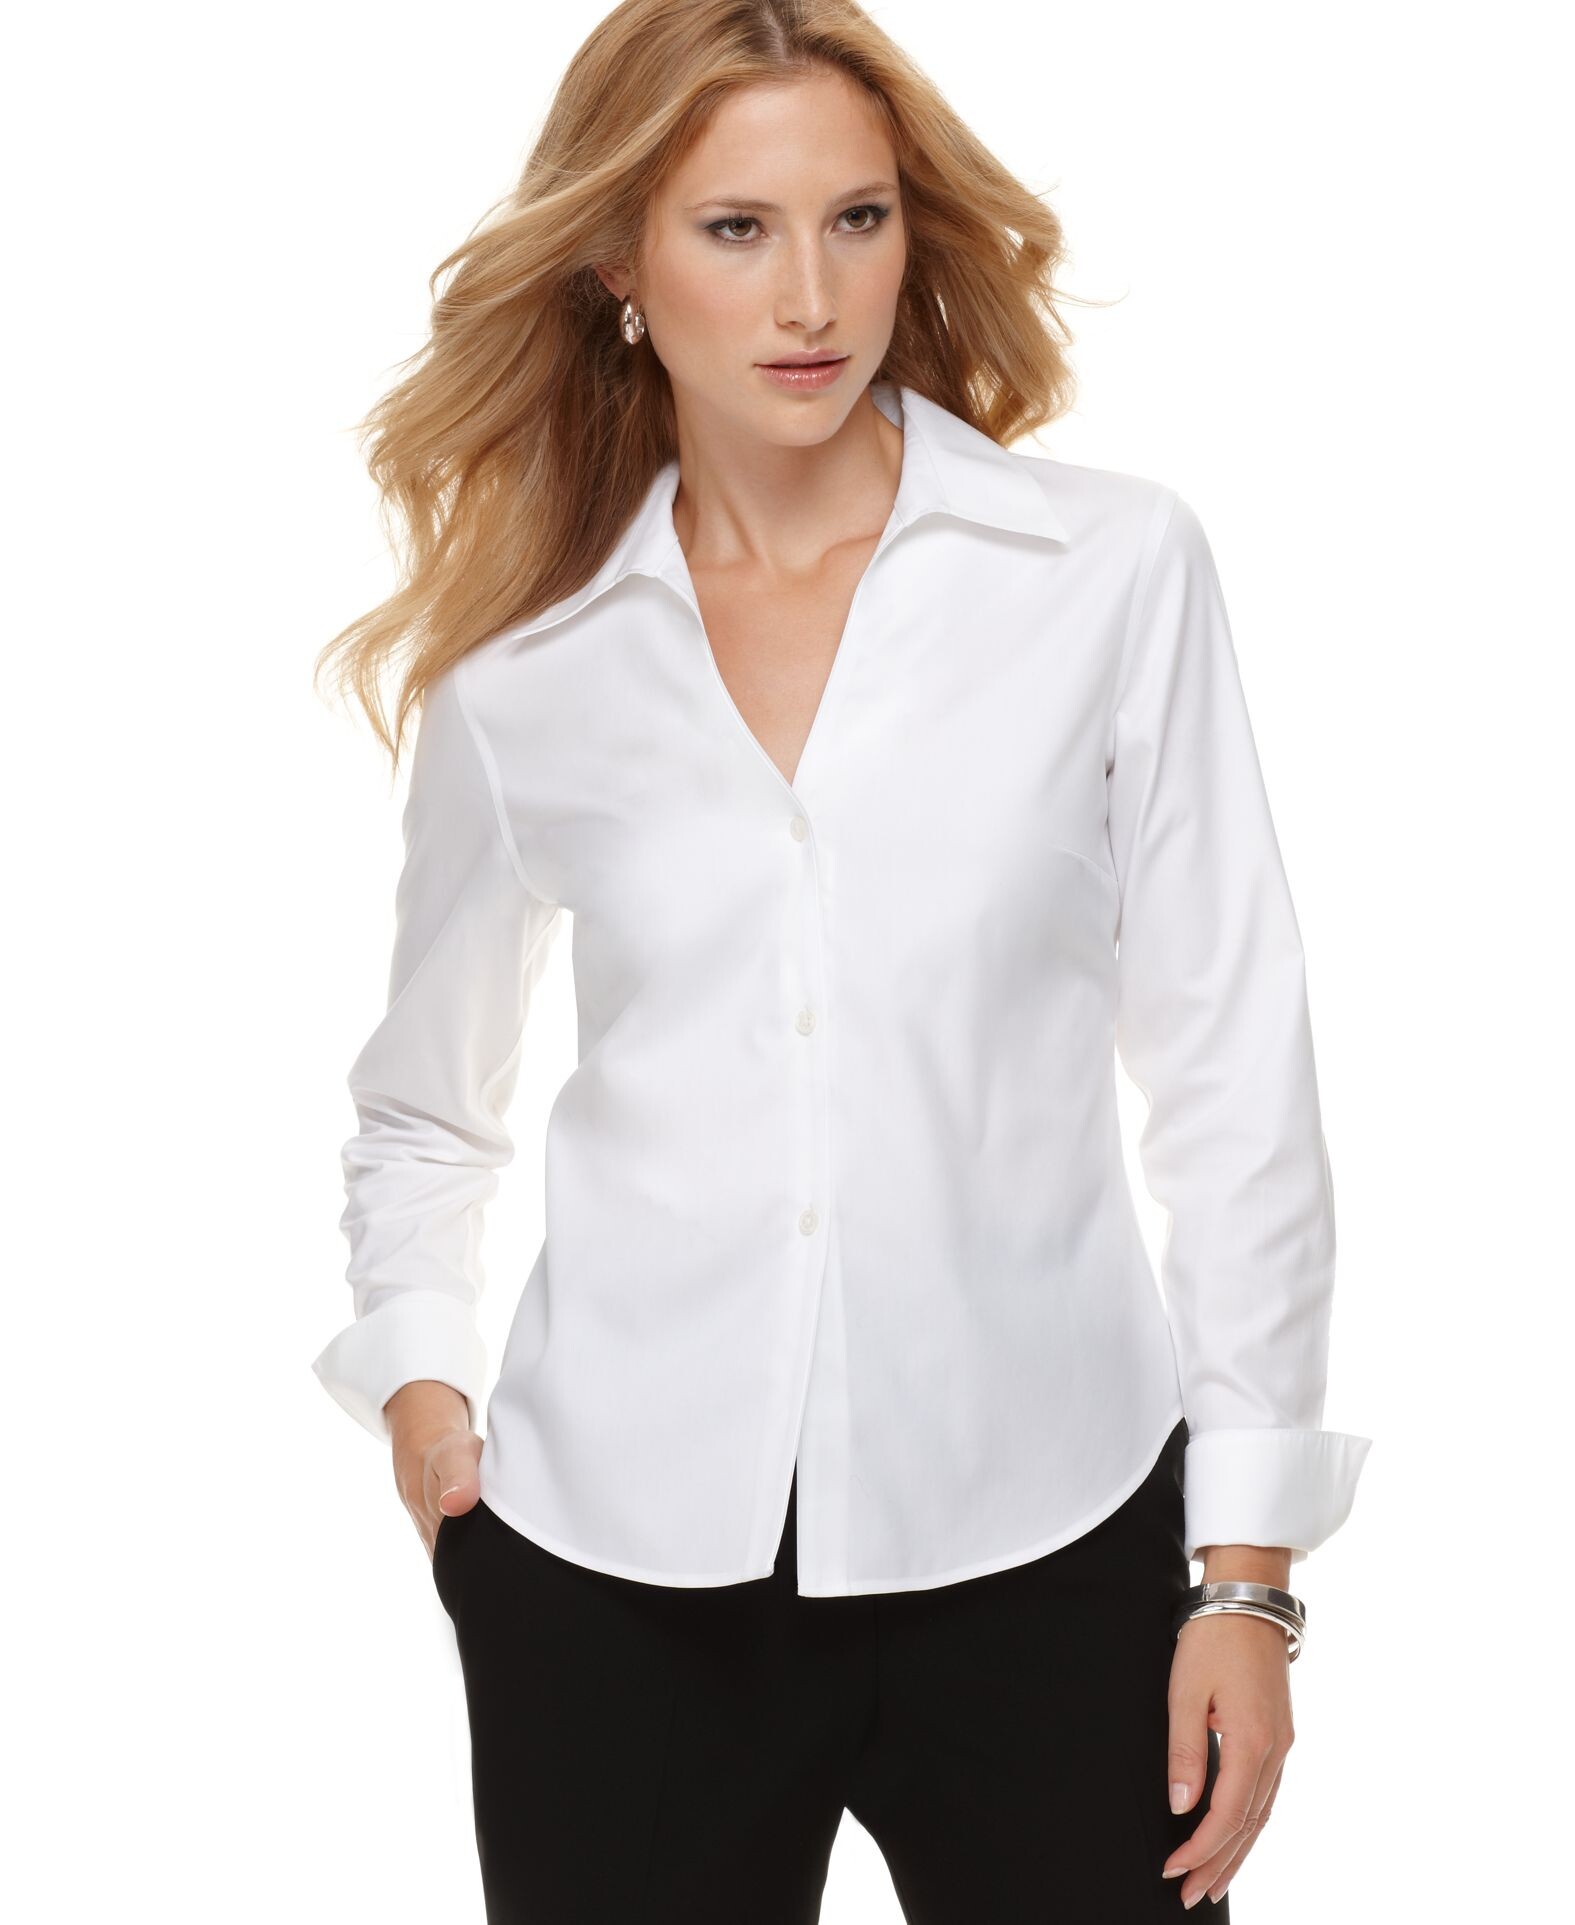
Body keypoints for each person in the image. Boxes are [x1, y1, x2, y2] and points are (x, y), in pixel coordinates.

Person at [310, 2, 1372, 1917]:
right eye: (736, 229)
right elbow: (424, 1103)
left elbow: (1234, 1076)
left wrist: (1247, 1578)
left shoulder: (1108, 575)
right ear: (619, 261)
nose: (812, 296)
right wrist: (419, 1383)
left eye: (858, 219)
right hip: (613, 1576)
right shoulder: (524, 663)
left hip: (1054, 1538)